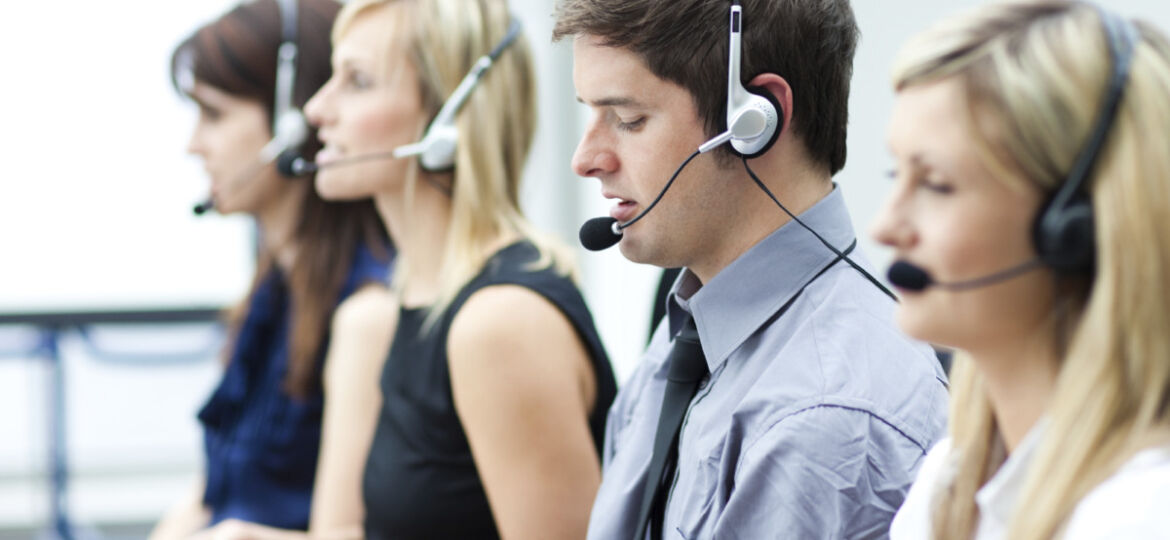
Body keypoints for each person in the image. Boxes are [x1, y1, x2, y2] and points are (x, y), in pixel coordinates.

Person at [554, 0, 949, 537]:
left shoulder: (827, 419)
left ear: (755, 119)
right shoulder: (686, 337)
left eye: (628, 119)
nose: (585, 158)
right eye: (591, 113)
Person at [300, 0, 618, 538]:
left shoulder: (501, 323)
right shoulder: (409, 299)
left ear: (448, 118)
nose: (315, 109)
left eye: (356, 82)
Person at [876, 1, 1170, 538]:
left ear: (1073, 227)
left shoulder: (1141, 513)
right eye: (896, 173)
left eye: (935, 184)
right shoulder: (946, 487)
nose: (884, 226)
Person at [149, 0, 393, 537]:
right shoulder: (273, 293)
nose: (195, 145)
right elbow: (211, 489)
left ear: (291, 123)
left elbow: (342, 532)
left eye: (213, 115)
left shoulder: (366, 311)